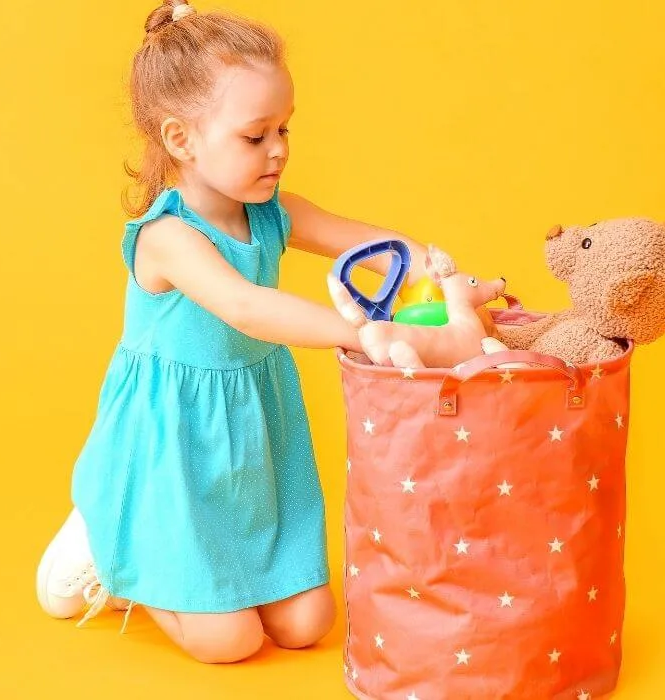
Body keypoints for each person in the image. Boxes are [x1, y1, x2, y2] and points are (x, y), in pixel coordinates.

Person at [35, 0, 434, 664]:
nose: (277, 149)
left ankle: (214, 569)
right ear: (181, 140)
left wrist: (442, 276)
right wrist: (357, 332)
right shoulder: (166, 239)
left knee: (307, 623)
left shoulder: (274, 214)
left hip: (250, 432)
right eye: (255, 136)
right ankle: (109, 538)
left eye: (285, 129)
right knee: (229, 642)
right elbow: (246, 308)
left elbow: (377, 244)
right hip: (173, 441)